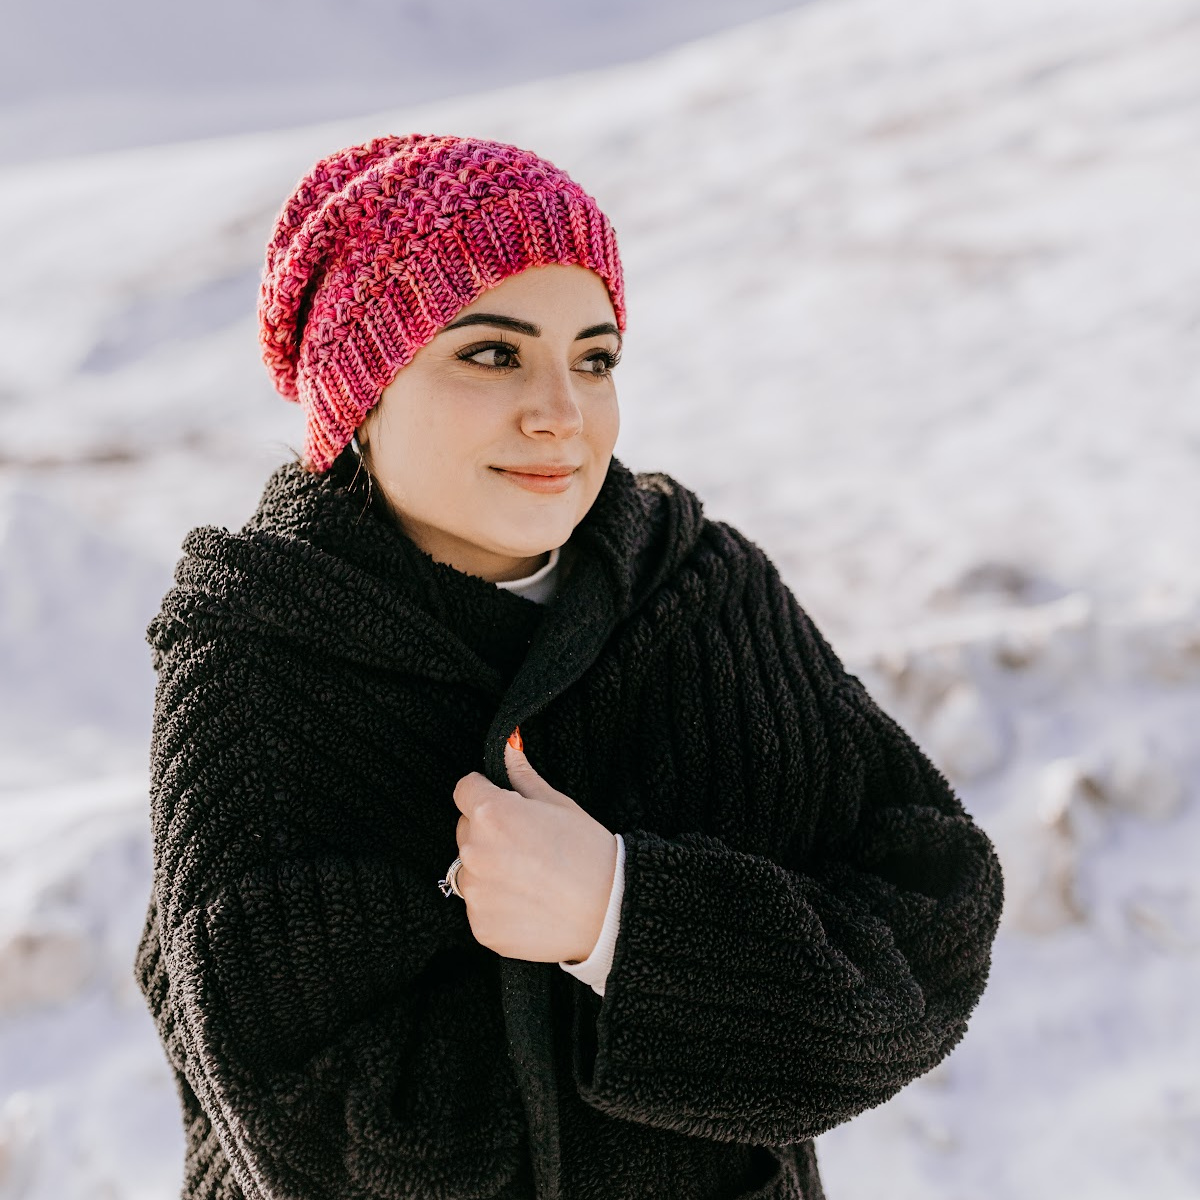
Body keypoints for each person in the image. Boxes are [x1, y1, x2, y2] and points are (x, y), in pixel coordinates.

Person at [134, 132, 1005, 1200]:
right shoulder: (260, 665)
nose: (563, 412)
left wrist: (623, 919)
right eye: (492, 353)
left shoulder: (696, 593)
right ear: (359, 394)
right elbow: (318, 1135)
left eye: (595, 358)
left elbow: (930, 927)